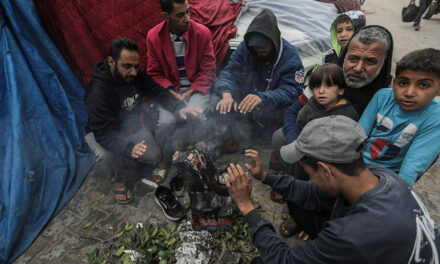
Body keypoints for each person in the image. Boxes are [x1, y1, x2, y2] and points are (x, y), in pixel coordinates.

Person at [225, 115, 440, 263]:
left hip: (376, 245)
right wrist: (265, 177)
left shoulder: (353, 235)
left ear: (325, 170)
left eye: (309, 173)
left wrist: (246, 206)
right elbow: (310, 192)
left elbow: (284, 260)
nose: (310, 179)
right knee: (300, 201)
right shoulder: (377, 174)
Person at [85, 37, 201, 204]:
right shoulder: (97, 93)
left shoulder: (136, 75)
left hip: (131, 127)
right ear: (111, 61)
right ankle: (119, 182)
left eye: (135, 66)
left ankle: (130, 160)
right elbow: (102, 133)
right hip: (102, 134)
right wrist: (128, 148)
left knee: (153, 155)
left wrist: (178, 107)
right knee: (109, 155)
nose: (133, 72)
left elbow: (157, 92)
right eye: (126, 66)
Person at [270, 64, 358, 234]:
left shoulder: (347, 113)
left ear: (340, 90)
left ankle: (308, 217)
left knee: (317, 191)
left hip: (328, 161)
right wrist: (299, 144)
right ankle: (293, 203)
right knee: (297, 176)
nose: (321, 91)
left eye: (328, 86)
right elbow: (299, 122)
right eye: (316, 86)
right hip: (305, 153)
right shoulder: (312, 105)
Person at [213, 8, 304, 141]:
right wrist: (226, 93)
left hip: (270, 111)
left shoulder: (290, 57)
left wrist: (264, 97)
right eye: (255, 46)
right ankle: (221, 141)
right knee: (218, 100)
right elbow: (229, 72)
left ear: (273, 41)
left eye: (262, 46)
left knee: (290, 109)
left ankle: (272, 141)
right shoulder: (245, 48)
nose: (258, 50)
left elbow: (293, 90)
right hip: (244, 106)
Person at [359, 48, 440, 186]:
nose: (409, 92)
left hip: (387, 178)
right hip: (357, 165)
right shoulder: (382, 97)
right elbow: (358, 135)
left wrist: (397, 195)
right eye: (403, 83)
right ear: (395, 82)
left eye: (423, 85)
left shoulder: (435, 116)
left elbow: (412, 167)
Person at [147, 0, 216, 155]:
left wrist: (191, 91)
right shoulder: (154, 37)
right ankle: (164, 160)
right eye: (180, 15)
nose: (187, 18)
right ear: (166, 16)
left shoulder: (202, 33)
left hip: (196, 89)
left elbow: (208, 71)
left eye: (188, 12)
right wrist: (172, 93)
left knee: (196, 116)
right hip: (170, 92)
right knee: (166, 123)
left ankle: (202, 158)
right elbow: (154, 74)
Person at [338, 25, 393, 115]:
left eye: (370, 61)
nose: (358, 68)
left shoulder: (391, 98)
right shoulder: (324, 82)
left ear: (383, 63)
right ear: (345, 57)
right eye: (353, 59)